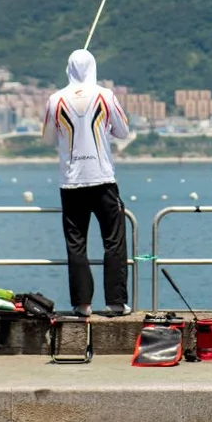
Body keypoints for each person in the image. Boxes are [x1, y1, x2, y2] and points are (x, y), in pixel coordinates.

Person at [42, 49, 132, 317]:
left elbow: (47, 139)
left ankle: (82, 304)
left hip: (71, 183)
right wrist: (105, 130)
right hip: (102, 179)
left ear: (68, 69)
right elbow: (123, 131)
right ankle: (116, 302)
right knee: (113, 241)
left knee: (76, 243)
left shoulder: (55, 99)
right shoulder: (106, 95)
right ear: (93, 67)